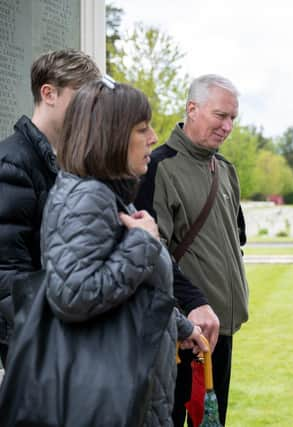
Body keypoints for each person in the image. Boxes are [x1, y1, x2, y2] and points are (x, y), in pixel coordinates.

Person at [41, 78, 207, 425]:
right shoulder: (89, 198)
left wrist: (179, 326)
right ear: (112, 136)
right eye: (142, 129)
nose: (153, 138)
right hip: (114, 400)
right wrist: (144, 241)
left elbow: (131, 293)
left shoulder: (108, 194)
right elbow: (73, 295)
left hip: (132, 390)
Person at [135, 74, 249, 426]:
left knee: (211, 422)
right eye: (220, 115)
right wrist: (187, 309)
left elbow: (236, 238)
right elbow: (150, 249)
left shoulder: (226, 170)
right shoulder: (157, 166)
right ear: (192, 109)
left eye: (233, 117)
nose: (227, 126)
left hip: (221, 331)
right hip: (180, 332)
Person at [0, 49, 100, 365]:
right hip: (37, 345)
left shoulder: (65, 162)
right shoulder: (13, 163)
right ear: (49, 93)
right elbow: (7, 274)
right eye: (81, 97)